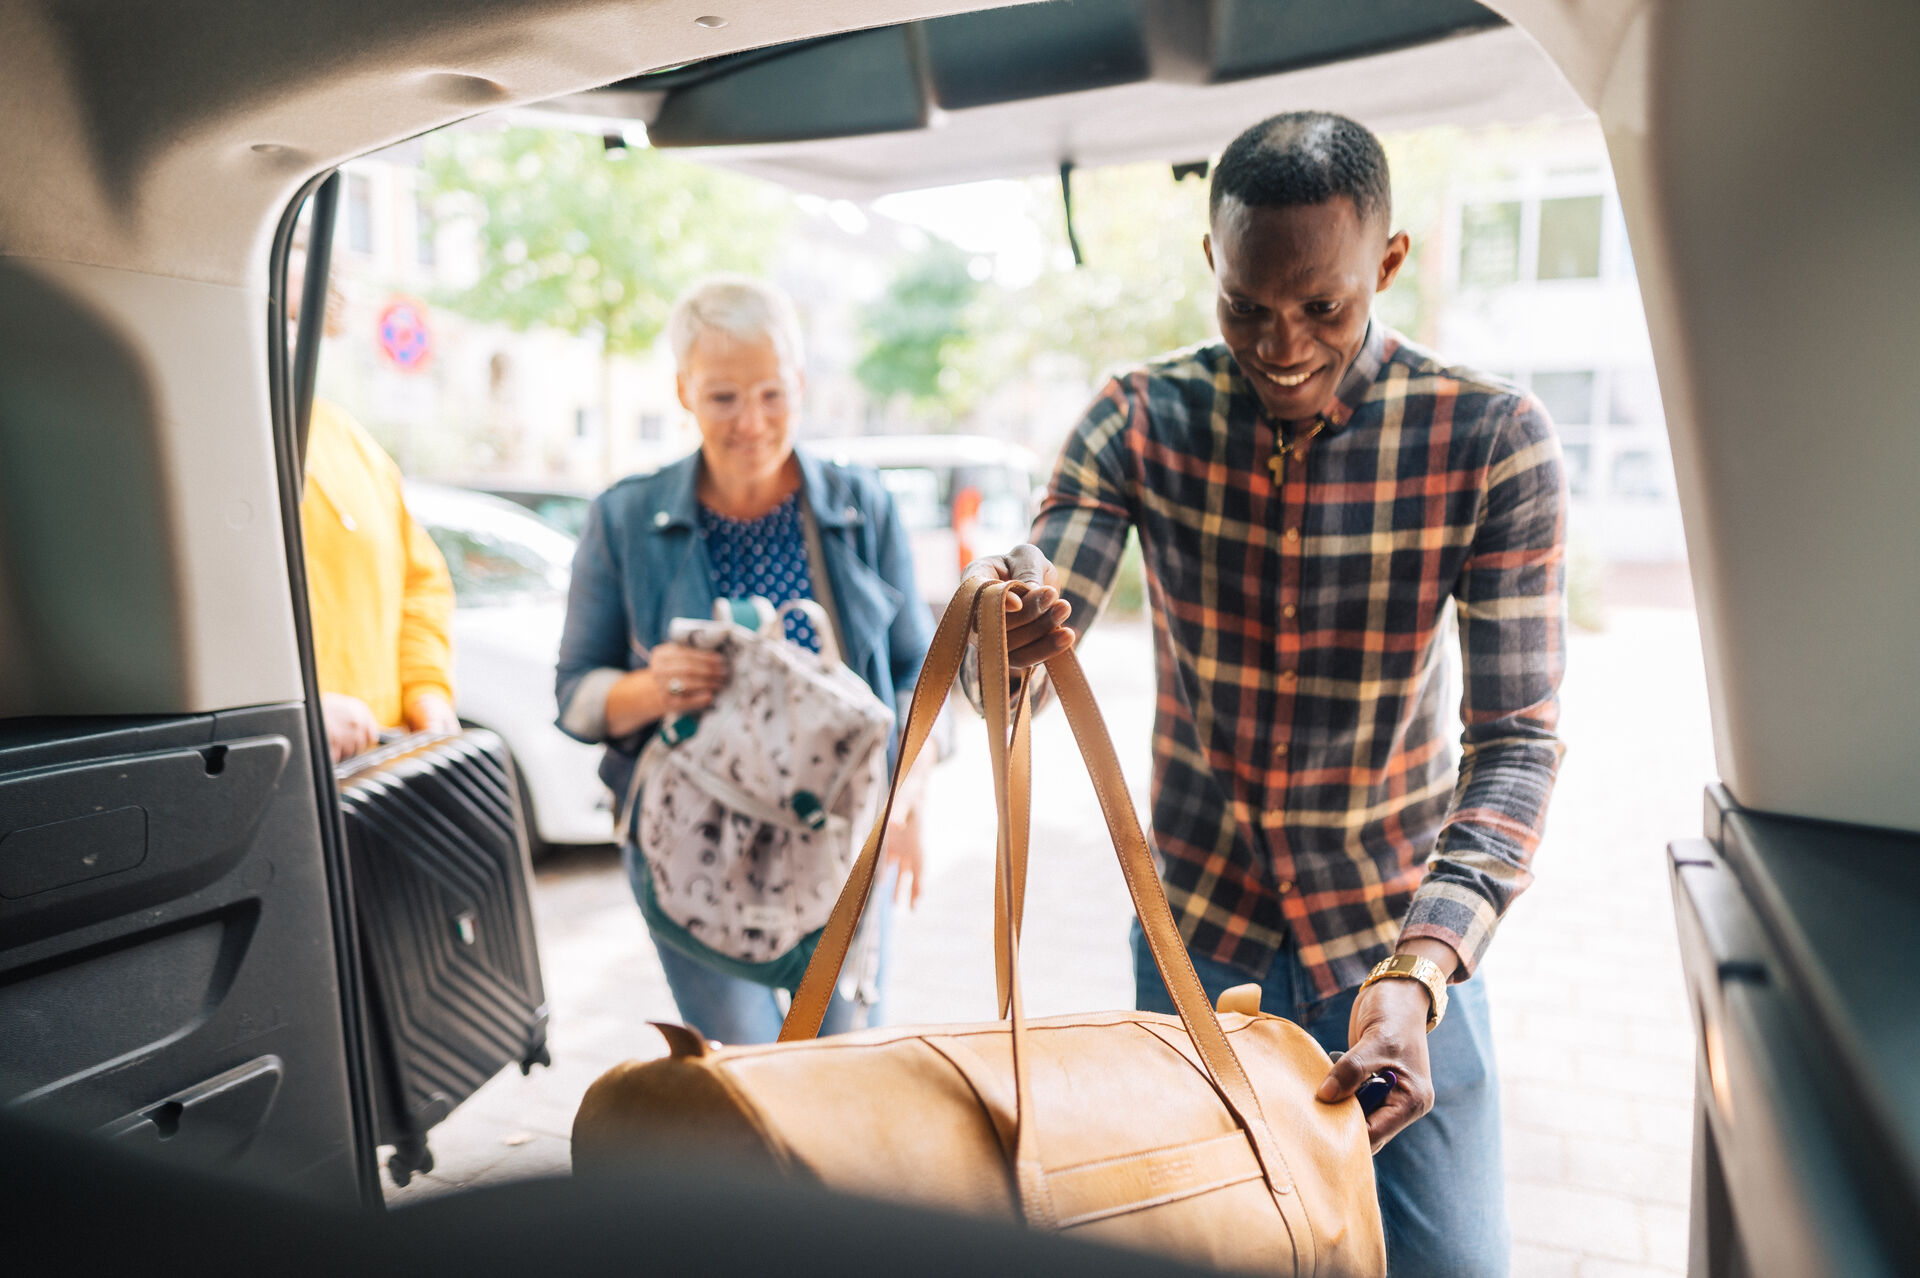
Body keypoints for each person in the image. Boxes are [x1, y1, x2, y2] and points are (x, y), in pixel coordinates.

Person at [968, 112, 1566, 1277]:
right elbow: (1041, 637)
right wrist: (1014, 629)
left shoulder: (1491, 441)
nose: (1282, 345)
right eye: (1247, 308)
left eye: (1323, 309)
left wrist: (1423, 972)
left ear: (1387, 266)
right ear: (1211, 262)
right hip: (1195, 956)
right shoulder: (1138, 418)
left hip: (1398, 954)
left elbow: (1516, 746)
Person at [555, 274, 934, 1045]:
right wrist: (653, 687)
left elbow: (918, 679)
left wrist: (907, 802)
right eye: (724, 397)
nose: (752, 421)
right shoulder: (625, 515)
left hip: (839, 837)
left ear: (800, 382)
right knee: (744, 1072)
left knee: (849, 1070)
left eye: (771, 393)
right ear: (683, 391)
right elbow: (576, 697)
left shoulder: (863, 508)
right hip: (692, 849)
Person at [292, 246, 459, 763]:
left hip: (369, 775)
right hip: (262, 775)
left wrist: (425, 689)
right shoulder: (183, 452)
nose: (286, 336)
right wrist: (297, 713)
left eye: (300, 319)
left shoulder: (353, 446)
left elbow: (420, 585)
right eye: (264, 309)